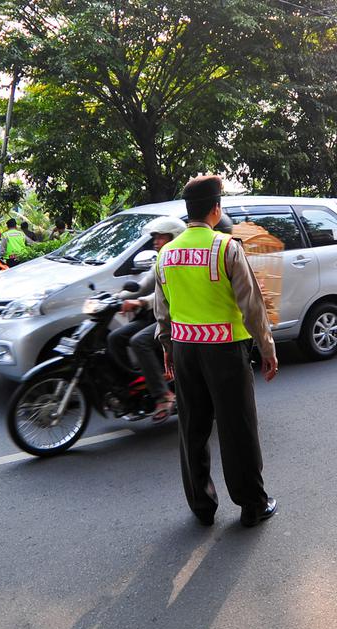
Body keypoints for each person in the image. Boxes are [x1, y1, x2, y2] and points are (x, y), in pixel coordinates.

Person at [154, 175, 279, 528]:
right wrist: (267, 348)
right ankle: (252, 505)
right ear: (215, 209)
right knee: (237, 428)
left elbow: (162, 308)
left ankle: (202, 506)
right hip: (225, 351)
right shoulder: (227, 248)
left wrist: (167, 346)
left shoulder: (166, 253)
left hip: (185, 350)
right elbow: (252, 306)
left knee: (192, 428)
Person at [108, 215, 186, 422]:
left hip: (173, 318)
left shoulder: (180, 262)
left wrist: (141, 302)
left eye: (161, 237)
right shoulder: (160, 260)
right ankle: (136, 386)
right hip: (156, 316)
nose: (156, 242)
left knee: (139, 341)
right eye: (155, 237)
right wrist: (114, 298)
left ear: (174, 237)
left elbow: (166, 295)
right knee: (115, 338)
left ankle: (163, 395)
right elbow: (143, 286)